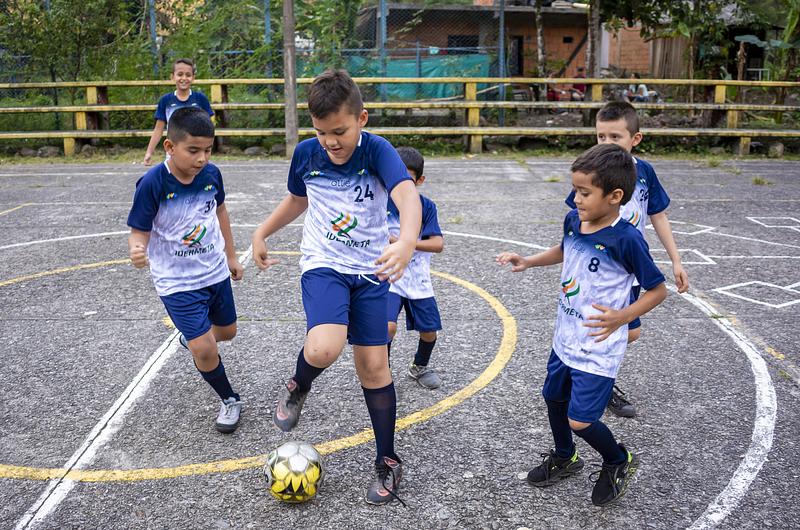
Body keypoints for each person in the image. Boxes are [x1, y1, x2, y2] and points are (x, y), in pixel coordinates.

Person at [250, 69, 422, 505]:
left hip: (370, 273)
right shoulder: (308, 154)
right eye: (322, 132)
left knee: (374, 367)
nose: (331, 141)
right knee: (324, 347)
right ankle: (299, 384)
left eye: (340, 131)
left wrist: (404, 241)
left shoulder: (379, 151)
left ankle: (387, 461)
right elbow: (298, 198)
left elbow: (406, 196)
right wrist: (262, 232)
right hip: (324, 265)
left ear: (361, 118)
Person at [496, 143, 668, 506]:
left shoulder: (627, 239)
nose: (575, 198)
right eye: (575, 189)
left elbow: (657, 290)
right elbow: (564, 248)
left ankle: (619, 459)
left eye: (585, 192)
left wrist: (623, 317)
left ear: (615, 196)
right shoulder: (575, 220)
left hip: (598, 346)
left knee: (581, 420)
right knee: (552, 397)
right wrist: (528, 261)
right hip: (565, 337)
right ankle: (565, 456)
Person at [565, 100, 688, 418]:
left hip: (629, 268)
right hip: (601, 269)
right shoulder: (593, 175)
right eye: (600, 136)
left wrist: (675, 260)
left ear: (635, 139)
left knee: (628, 331)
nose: (606, 144)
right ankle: (596, 383)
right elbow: (577, 218)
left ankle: (590, 378)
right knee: (604, 328)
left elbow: (658, 216)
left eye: (615, 137)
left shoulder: (644, 172)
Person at [128, 107, 244, 433]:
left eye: (208, 150)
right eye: (193, 150)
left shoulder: (211, 175)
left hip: (214, 273)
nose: (202, 158)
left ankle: (191, 339)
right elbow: (139, 229)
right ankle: (229, 398)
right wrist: (136, 248)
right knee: (205, 347)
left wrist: (232, 257)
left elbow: (220, 213)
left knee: (227, 333)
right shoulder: (152, 183)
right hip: (176, 281)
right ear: (170, 147)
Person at [386, 146, 444, 389]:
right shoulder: (380, 202)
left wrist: (406, 243)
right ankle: (380, 370)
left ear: (419, 181)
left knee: (429, 331)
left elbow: (438, 243)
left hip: (418, 279)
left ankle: (419, 366)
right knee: (387, 326)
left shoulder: (426, 207)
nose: (401, 187)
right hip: (388, 276)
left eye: (408, 181)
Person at [143, 58, 214, 166]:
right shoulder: (165, 101)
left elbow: (209, 128)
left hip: (196, 153)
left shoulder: (200, 99)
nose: (184, 78)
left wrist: (207, 150)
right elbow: (158, 130)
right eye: (180, 74)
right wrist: (149, 152)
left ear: (193, 77)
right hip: (173, 153)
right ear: (172, 77)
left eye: (188, 75)